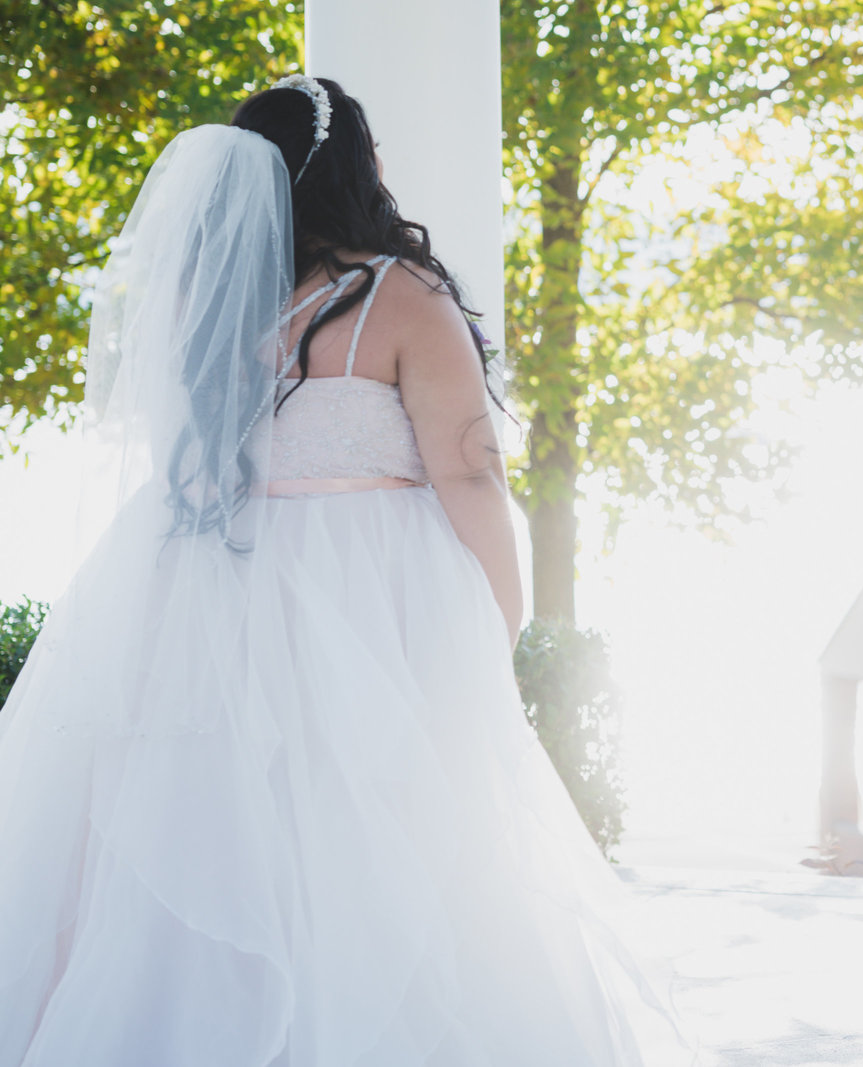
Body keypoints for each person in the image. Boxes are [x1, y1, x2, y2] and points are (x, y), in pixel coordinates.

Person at [0, 76, 685, 1066]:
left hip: (209, 599)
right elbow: (471, 465)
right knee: (381, 846)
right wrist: (497, 621)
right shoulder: (397, 294)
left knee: (220, 835)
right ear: (354, 170)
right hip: (369, 603)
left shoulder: (207, 301)